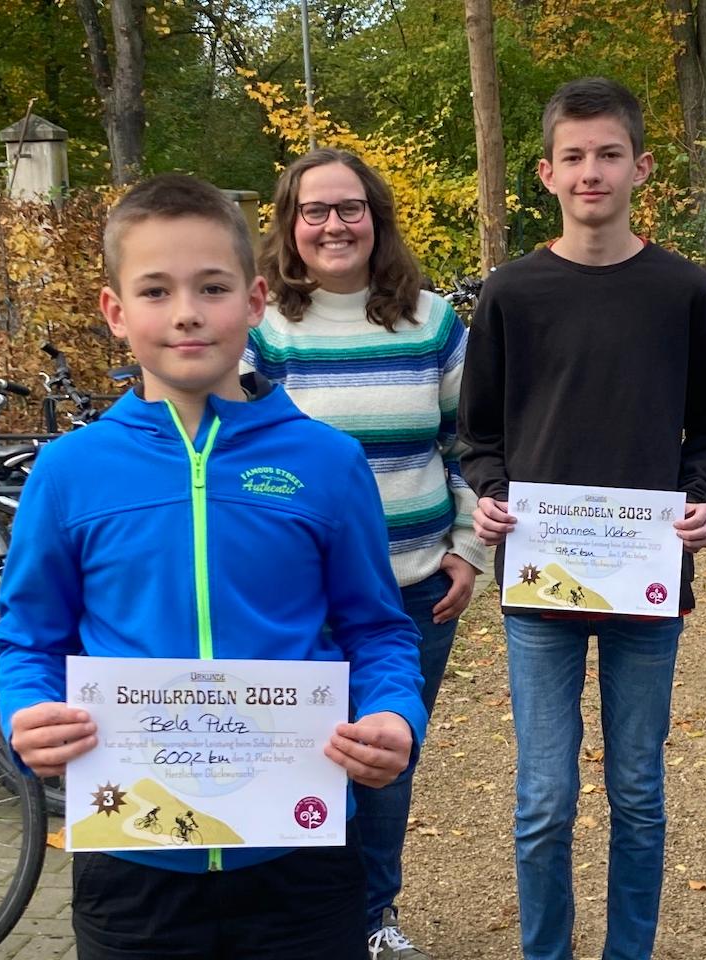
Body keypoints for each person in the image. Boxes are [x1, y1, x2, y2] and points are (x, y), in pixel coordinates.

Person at [0, 173, 429, 960]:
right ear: (116, 313)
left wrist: (396, 715)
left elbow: (377, 629)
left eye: (212, 287)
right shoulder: (69, 472)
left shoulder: (327, 464)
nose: (187, 312)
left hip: (301, 857)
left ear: (256, 301)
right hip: (132, 862)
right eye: (155, 291)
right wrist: (26, 711)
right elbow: (27, 637)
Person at [459, 77, 706, 960]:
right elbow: (480, 431)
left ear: (641, 167)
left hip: (647, 583)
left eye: (608, 155)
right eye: (574, 157)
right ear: (545, 173)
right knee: (543, 799)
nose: (592, 173)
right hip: (539, 583)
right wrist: (492, 493)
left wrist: (701, 499)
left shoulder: (682, 290)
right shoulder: (511, 293)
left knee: (638, 791)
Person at [244, 147, 485, 960]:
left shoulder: (432, 320)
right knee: (301, 755)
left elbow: (470, 443)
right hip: (297, 600)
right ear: (290, 225)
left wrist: (466, 547)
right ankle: (307, 917)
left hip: (413, 589)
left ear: (377, 219)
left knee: (384, 759)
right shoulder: (264, 327)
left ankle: (376, 916)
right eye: (314, 211)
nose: (333, 225)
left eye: (350, 208)